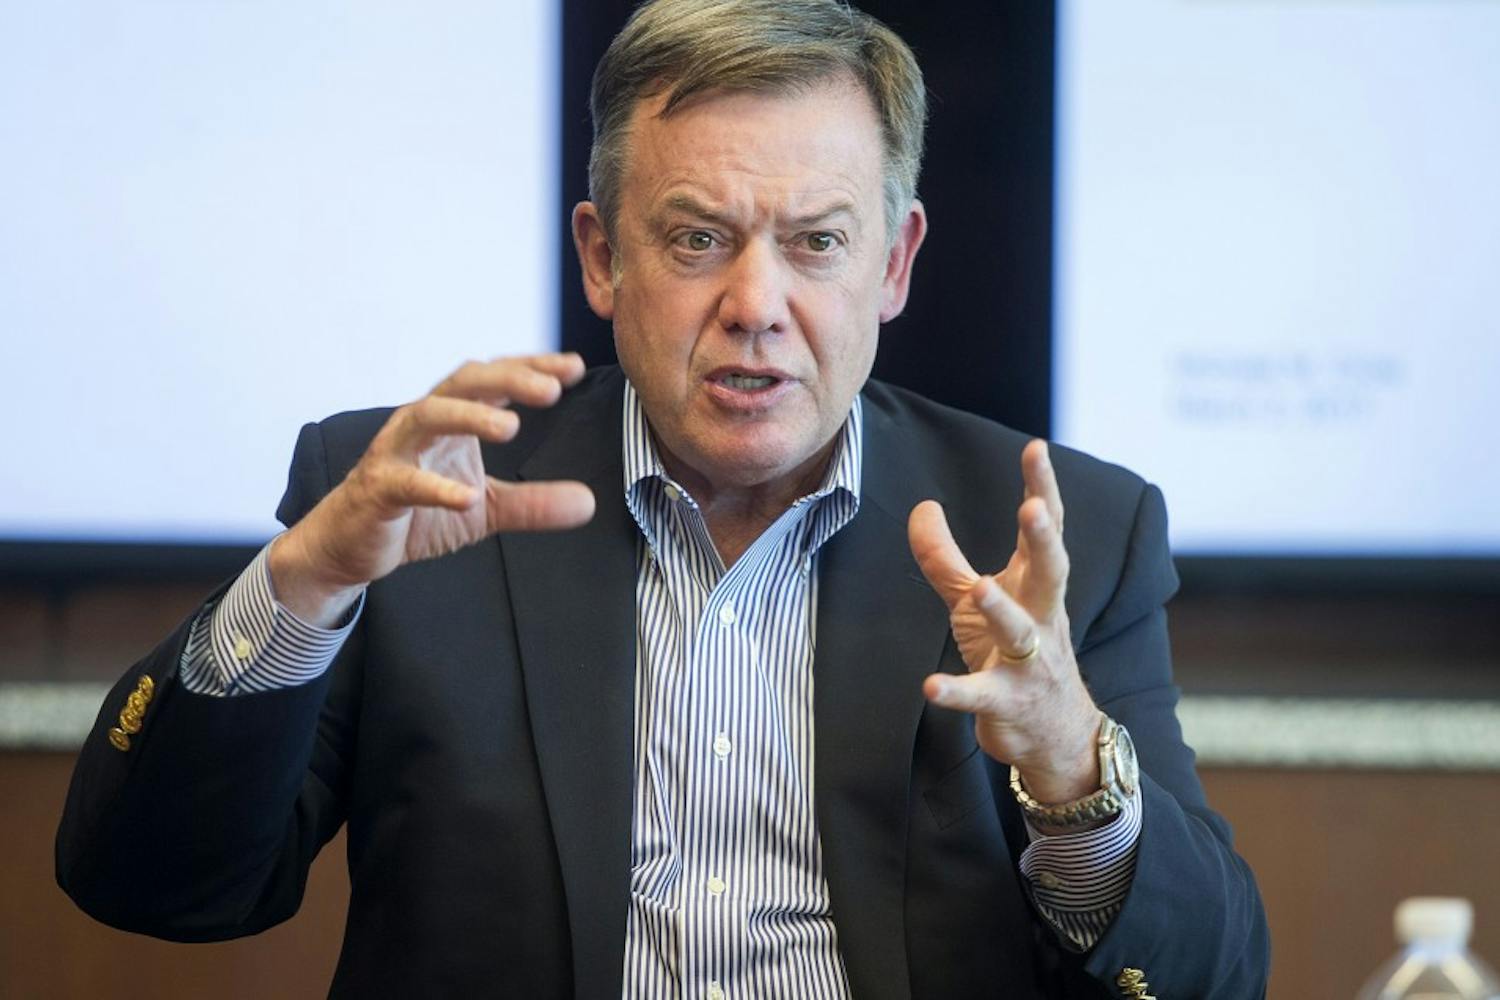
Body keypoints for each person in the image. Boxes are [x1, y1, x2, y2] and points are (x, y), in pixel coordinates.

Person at [57, 1, 1270, 996]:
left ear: (893, 264)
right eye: (697, 239)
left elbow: (1212, 978)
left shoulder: (1061, 534)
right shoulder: (410, 500)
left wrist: (1069, 762)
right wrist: (304, 585)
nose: (755, 302)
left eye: (817, 242)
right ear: (601, 256)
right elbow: (152, 882)